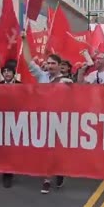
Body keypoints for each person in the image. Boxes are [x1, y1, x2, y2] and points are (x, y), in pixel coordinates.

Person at [21, 32, 70, 194]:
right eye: (47, 63)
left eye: (52, 63)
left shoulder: (65, 81)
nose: (49, 66)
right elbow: (28, 61)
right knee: (46, 149)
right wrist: (24, 40)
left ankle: (56, 173)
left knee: (57, 149)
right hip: (43, 119)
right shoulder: (42, 76)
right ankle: (47, 177)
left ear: (58, 65)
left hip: (60, 119)